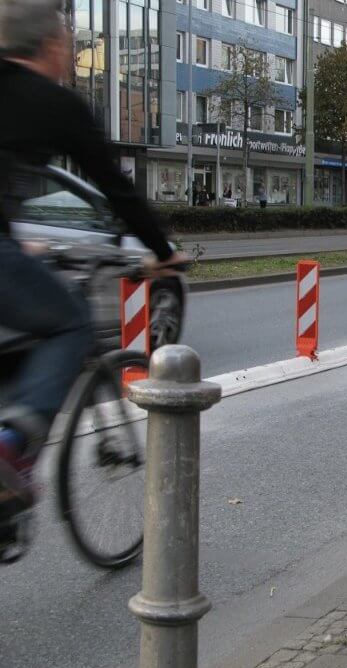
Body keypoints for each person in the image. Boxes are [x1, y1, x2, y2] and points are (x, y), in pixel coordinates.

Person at [0, 0, 187, 558]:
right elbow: (115, 186)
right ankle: (12, 448)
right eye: (68, 46)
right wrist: (161, 253)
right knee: (70, 325)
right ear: (52, 48)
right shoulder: (54, 103)